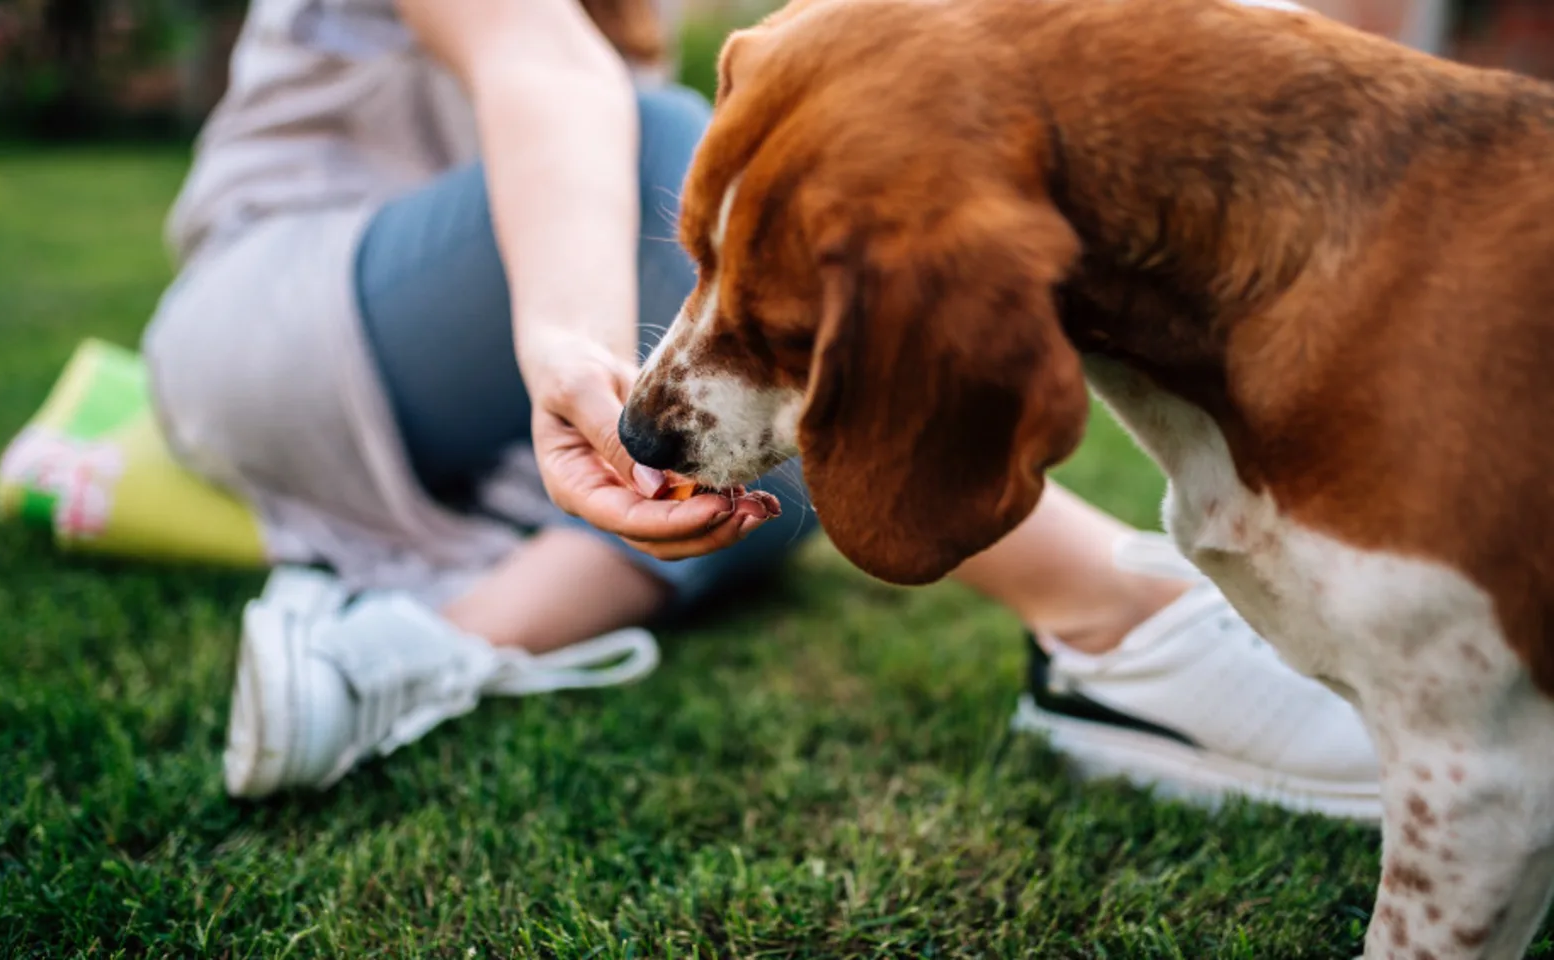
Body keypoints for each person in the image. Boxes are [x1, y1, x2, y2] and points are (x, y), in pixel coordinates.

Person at [142, 0, 1390, 817]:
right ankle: (1112, 616)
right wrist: (574, 352)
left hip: (460, 375)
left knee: (773, 481)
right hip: (277, 316)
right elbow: (547, 70)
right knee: (681, 140)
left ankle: (402, 650)